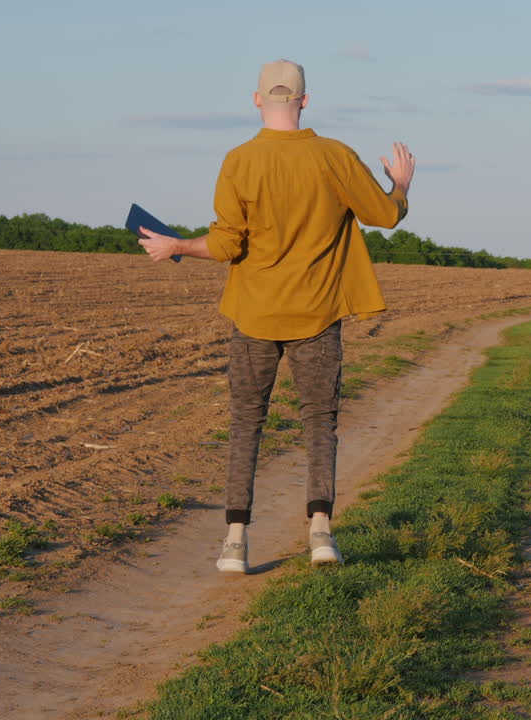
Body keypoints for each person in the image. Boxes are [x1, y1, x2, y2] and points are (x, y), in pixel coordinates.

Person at [138, 59, 415, 573]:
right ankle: (321, 535)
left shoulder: (239, 160)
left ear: (256, 99)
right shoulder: (334, 156)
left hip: (253, 315)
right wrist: (399, 183)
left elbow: (225, 243)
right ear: (305, 101)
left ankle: (235, 542)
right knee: (320, 423)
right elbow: (386, 215)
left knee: (247, 423)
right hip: (317, 315)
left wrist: (176, 244)